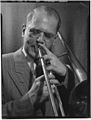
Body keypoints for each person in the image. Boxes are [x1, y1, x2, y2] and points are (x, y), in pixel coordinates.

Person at [2, 6, 75, 118]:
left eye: (48, 35)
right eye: (35, 31)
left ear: (54, 39)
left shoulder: (62, 70)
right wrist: (29, 100)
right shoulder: (2, 64)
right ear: (23, 31)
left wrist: (66, 74)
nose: (40, 40)